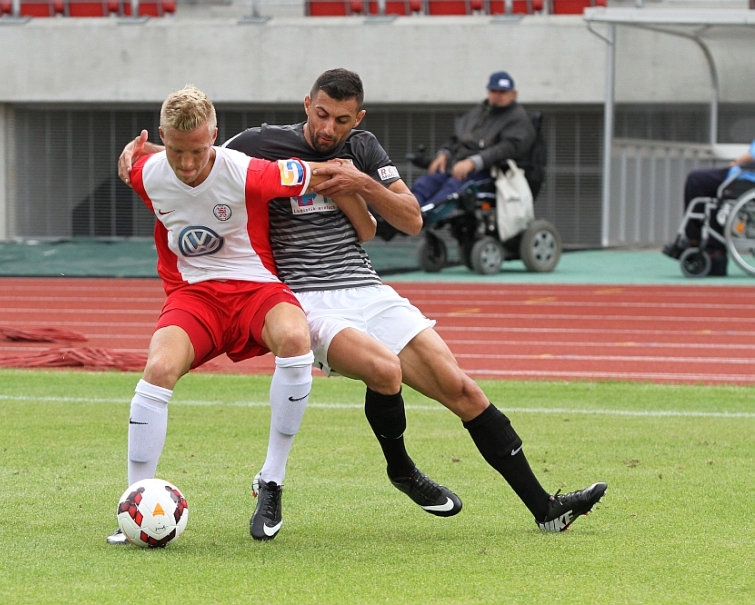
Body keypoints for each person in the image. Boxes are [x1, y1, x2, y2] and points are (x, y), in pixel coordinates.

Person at [120, 69, 606, 536]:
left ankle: (545, 509)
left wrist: (362, 184)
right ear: (307, 105)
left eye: (342, 120)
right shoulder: (260, 143)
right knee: (384, 370)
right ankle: (400, 468)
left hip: (368, 288)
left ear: (359, 119)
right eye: (321, 115)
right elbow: (203, 159)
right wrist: (142, 154)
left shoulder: (365, 149)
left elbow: (411, 220)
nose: (328, 128)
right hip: (305, 297)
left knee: (462, 390)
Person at [107, 85, 376, 545]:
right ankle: (134, 503)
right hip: (194, 296)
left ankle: (272, 479)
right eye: (176, 151)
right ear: (162, 139)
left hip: (257, 289)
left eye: (197, 151)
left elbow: (323, 172)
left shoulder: (247, 171)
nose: (186, 164)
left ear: (215, 136)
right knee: (158, 368)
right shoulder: (144, 173)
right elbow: (137, 160)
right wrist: (136, 154)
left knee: (295, 339)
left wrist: (368, 204)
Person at [408, 71, 537, 215]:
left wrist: (473, 162)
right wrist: (443, 153)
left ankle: (420, 218)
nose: (497, 95)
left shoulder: (518, 118)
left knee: (453, 189)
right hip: (455, 166)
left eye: (503, 92)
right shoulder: (479, 112)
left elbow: (508, 148)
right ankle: (405, 212)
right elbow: (457, 139)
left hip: (488, 173)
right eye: (494, 91)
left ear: (513, 94)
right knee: (425, 183)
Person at [662, 139, 755, 275]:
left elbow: (751, 156)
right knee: (712, 197)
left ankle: (696, 240)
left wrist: (735, 163)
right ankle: (714, 250)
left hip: (745, 178)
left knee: (695, 179)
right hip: (744, 176)